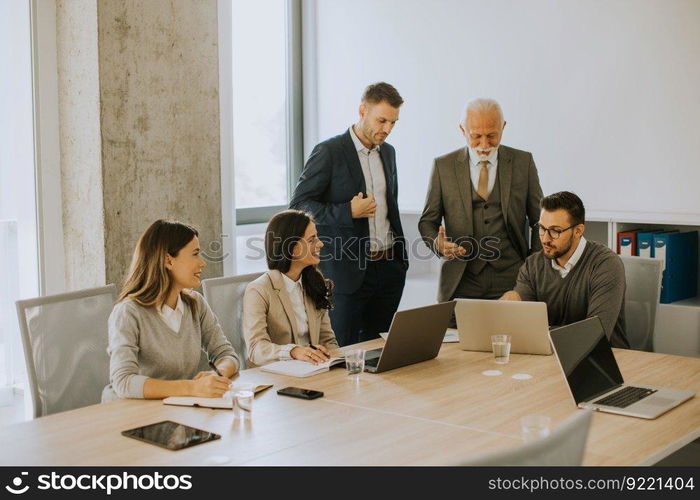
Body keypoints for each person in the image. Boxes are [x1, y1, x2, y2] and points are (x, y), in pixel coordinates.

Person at [289, 82, 408, 346]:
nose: (387, 129)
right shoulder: (329, 151)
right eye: (382, 120)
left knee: (382, 353)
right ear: (362, 110)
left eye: (393, 122)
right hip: (347, 273)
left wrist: (399, 263)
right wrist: (347, 211)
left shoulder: (388, 153)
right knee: (344, 354)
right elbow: (298, 205)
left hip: (388, 269)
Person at [418, 98, 543, 308]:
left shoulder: (524, 163)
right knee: (459, 340)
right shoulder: (443, 166)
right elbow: (427, 222)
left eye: (492, 136)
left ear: (503, 127)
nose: (484, 145)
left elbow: (540, 220)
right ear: (462, 130)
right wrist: (438, 245)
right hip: (461, 279)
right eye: (476, 136)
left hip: (513, 278)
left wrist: (532, 266)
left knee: (512, 338)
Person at [103, 220, 239, 401]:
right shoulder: (128, 313)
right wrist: (191, 387)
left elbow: (227, 355)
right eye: (195, 254)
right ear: (168, 260)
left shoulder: (195, 304)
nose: (202, 263)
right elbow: (123, 382)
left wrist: (217, 375)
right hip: (134, 419)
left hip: (177, 413)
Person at [501, 191, 630, 348]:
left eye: (555, 231)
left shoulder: (606, 265)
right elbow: (521, 319)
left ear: (578, 231)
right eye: (542, 228)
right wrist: (510, 306)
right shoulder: (533, 265)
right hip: (549, 357)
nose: (545, 239)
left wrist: (539, 332)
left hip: (603, 360)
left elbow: (594, 335)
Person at [243, 209, 340, 366]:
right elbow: (256, 349)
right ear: (292, 248)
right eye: (311, 240)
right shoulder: (258, 290)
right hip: (276, 377)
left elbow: (327, 340)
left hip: (314, 372)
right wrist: (293, 351)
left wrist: (338, 362)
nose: (320, 244)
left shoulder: (314, 283)